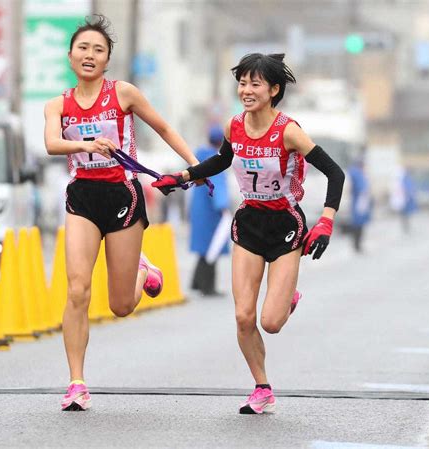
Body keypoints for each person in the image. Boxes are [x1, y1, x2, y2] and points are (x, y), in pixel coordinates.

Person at [152, 53, 345, 414]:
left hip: (286, 226)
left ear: (274, 90)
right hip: (249, 222)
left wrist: (326, 221)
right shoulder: (234, 126)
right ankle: (262, 387)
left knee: (270, 322)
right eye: (242, 82)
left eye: (255, 83)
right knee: (243, 316)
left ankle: (287, 297)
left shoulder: (288, 130)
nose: (246, 90)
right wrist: (181, 177)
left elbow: (335, 173)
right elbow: (222, 161)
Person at [43, 15, 199, 411]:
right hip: (82, 197)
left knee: (121, 306)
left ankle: (145, 270)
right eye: (83, 48)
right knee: (77, 289)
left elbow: (163, 128)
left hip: (123, 197)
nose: (89, 55)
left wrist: (194, 167)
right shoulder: (57, 104)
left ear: (108, 59)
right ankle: (76, 382)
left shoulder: (123, 94)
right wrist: (87, 146)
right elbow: (50, 143)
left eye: (98, 49)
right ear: (70, 56)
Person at [190, 124, 231, 296]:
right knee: (212, 248)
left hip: (197, 209)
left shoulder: (198, 156)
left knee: (203, 249)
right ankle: (208, 286)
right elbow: (217, 184)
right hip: (211, 212)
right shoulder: (215, 158)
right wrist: (223, 207)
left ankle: (197, 282)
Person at [348, 158, 372, 252]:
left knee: (360, 223)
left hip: (360, 201)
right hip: (359, 201)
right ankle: (356, 245)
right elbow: (361, 188)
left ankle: (358, 245)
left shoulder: (359, 173)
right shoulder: (356, 173)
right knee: (357, 224)